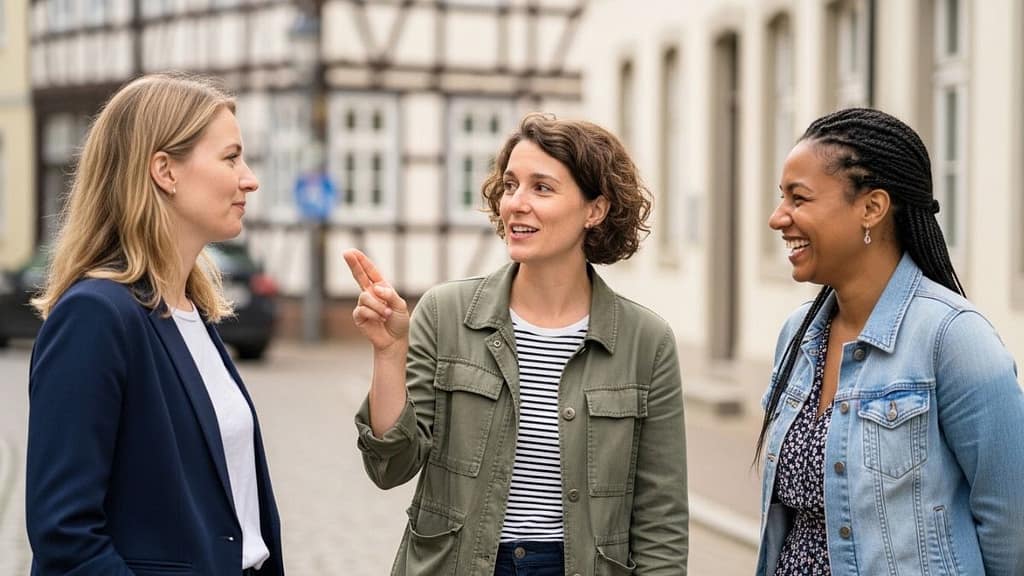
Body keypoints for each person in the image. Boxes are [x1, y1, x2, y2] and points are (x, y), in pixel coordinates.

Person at [345, 112, 688, 575]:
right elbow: (390, 468)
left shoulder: (647, 342)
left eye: (541, 188)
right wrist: (388, 354)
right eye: (510, 185)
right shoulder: (445, 313)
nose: (515, 204)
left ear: (595, 209)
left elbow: (661, 520)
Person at [25, 73, 284, 576]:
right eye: (231, 158)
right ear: (165, 170)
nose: (249, 178)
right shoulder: (95, 317)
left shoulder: (190, 314)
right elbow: (66, 536)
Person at [756, 107, 1024, 576]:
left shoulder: (953, 338)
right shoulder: (797, 336)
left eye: (799, 199)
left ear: (871, 208)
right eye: (782, 198)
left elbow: (1012, 523)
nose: (779, 218)